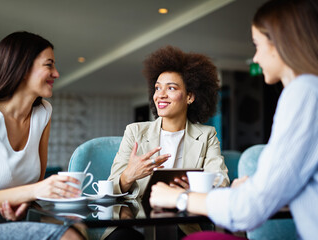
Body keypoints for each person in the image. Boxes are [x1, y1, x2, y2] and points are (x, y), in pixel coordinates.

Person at [150, 0, 318, 240]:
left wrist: (178, 198)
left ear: (281, 43)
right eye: (158, 88)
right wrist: (256, 188)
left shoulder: (304, 93)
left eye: (257, 45)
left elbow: (250, 208)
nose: (256, 58)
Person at [0, 31, 84, 239]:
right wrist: (30, 193)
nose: (56, 73)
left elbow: (33, 190)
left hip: (12, 226)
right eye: (49, 65)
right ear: (23, 68)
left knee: (79, 228)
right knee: (67, 235)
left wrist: (24, 204)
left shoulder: (43, 113)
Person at [104, 46, 230, 240]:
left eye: (171, 88)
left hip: (183, 221)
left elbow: (221, 181)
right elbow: (109, 190)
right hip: (136, 223)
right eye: (157, 88)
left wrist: (192, 188)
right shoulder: (135, 132)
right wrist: (129, 176)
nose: (160, 95)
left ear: (190, 96)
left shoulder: (207, 135)